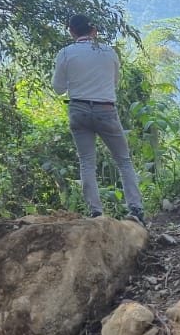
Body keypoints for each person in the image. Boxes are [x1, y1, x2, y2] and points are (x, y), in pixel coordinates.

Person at [52, 14, 146, 223]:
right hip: (106, 109)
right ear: (93, 31)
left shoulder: (65, 53)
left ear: (71, 32)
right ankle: (136, 209)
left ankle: (95, 212)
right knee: (123, 160)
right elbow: (114, 81)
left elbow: (58, 88)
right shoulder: (108, 52)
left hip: (78, 110)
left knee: (86, 162)